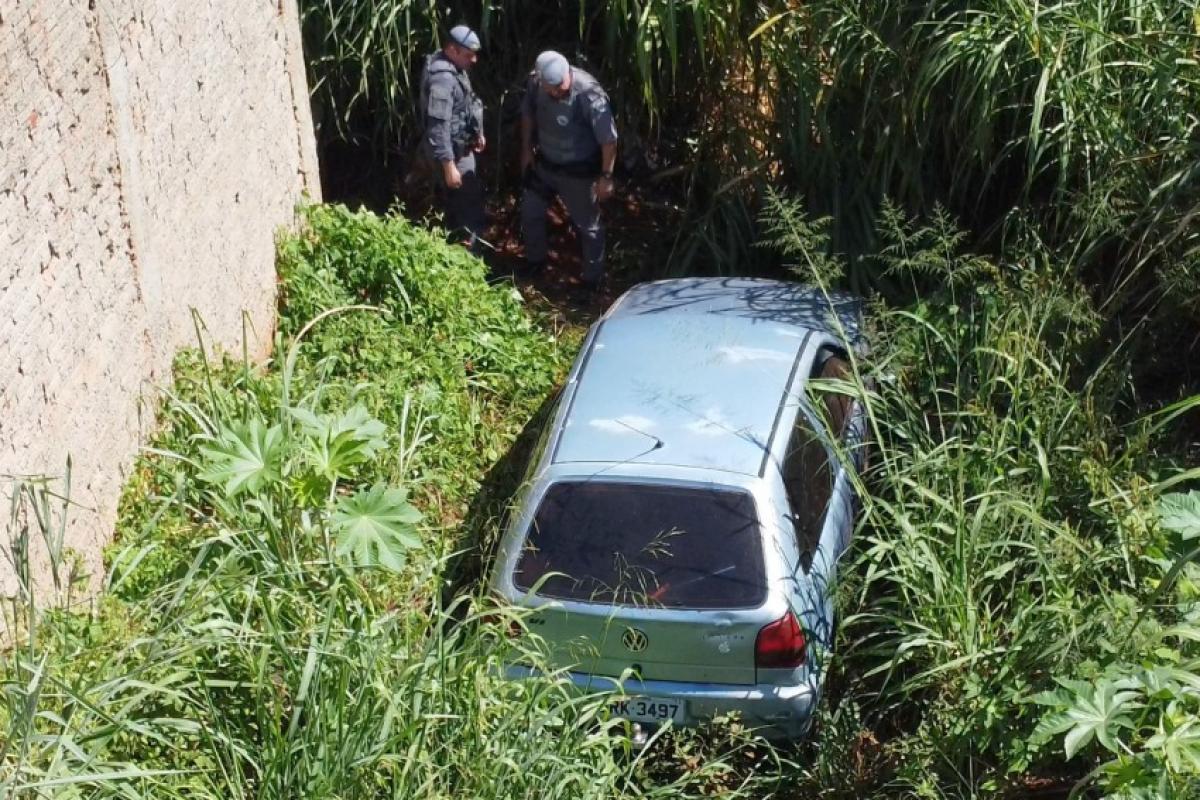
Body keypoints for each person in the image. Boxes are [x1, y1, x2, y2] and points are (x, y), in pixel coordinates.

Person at [519, 50, 618, 300]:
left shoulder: (588, 94)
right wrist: (526, 150)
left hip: (578, 172)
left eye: (563, 84)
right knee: (531, 211)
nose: (560, 90)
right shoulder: (535, 84)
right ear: (541, 80)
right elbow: (528, 114)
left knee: (589, 227)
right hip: (545, 165)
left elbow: (609, 140)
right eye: (553, 87)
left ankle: (592, 280)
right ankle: (535, 262)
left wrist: (606, 177)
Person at [418, 25, 486, 249]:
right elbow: (438, 124)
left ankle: (457, 249)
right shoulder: (443, 79)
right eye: (469, 55)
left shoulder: (455, 67)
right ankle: (471, 260)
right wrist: (449, 166)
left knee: (459, 204)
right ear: (451, 49)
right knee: (469, 205)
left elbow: (465, 104)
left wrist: (478, 132)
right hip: (452, 155)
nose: (474, 60)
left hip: (460, 145)